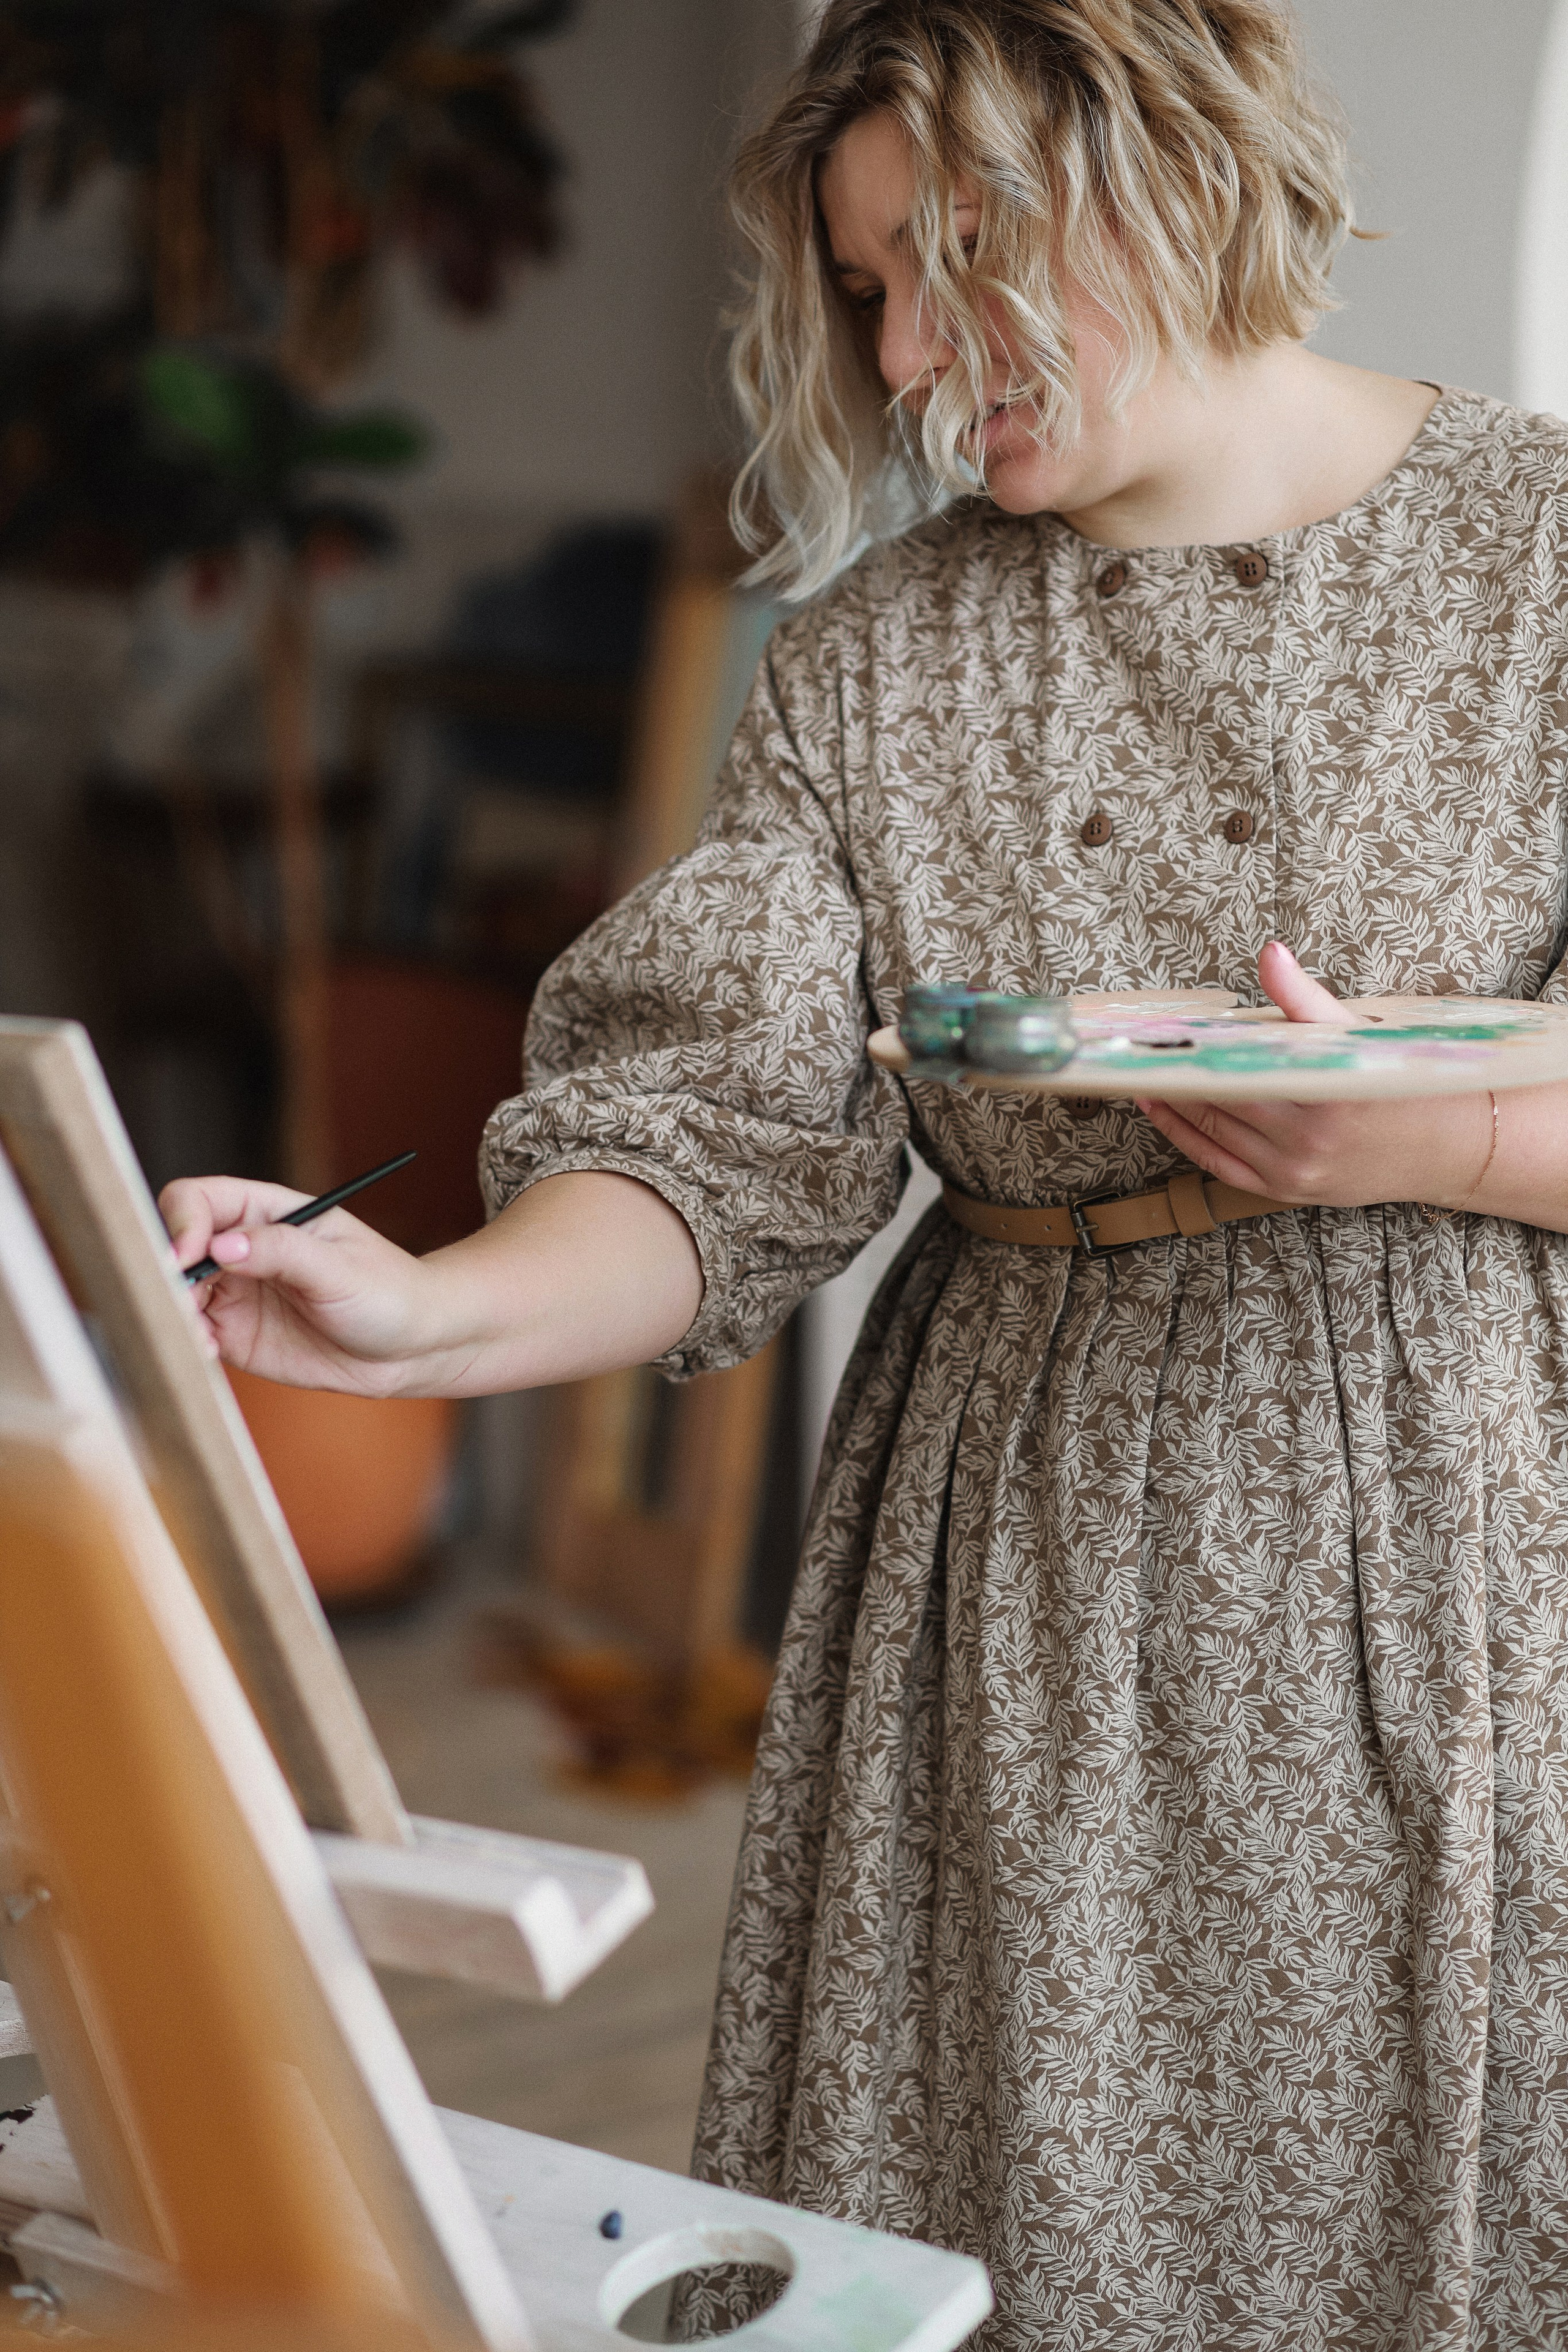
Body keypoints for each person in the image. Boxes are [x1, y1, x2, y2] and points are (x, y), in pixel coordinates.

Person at [162, 2, 1568, 2342]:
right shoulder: (871, 665)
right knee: (1011, 2220)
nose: (909, 350)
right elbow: (709, 1137)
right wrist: (427, 1311)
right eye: (866, 287)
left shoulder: (1546, 565)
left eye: (955, 255)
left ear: (1166, 170)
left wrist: (1442, 1130)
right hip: (1009, 1579)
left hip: (1473, 1553)